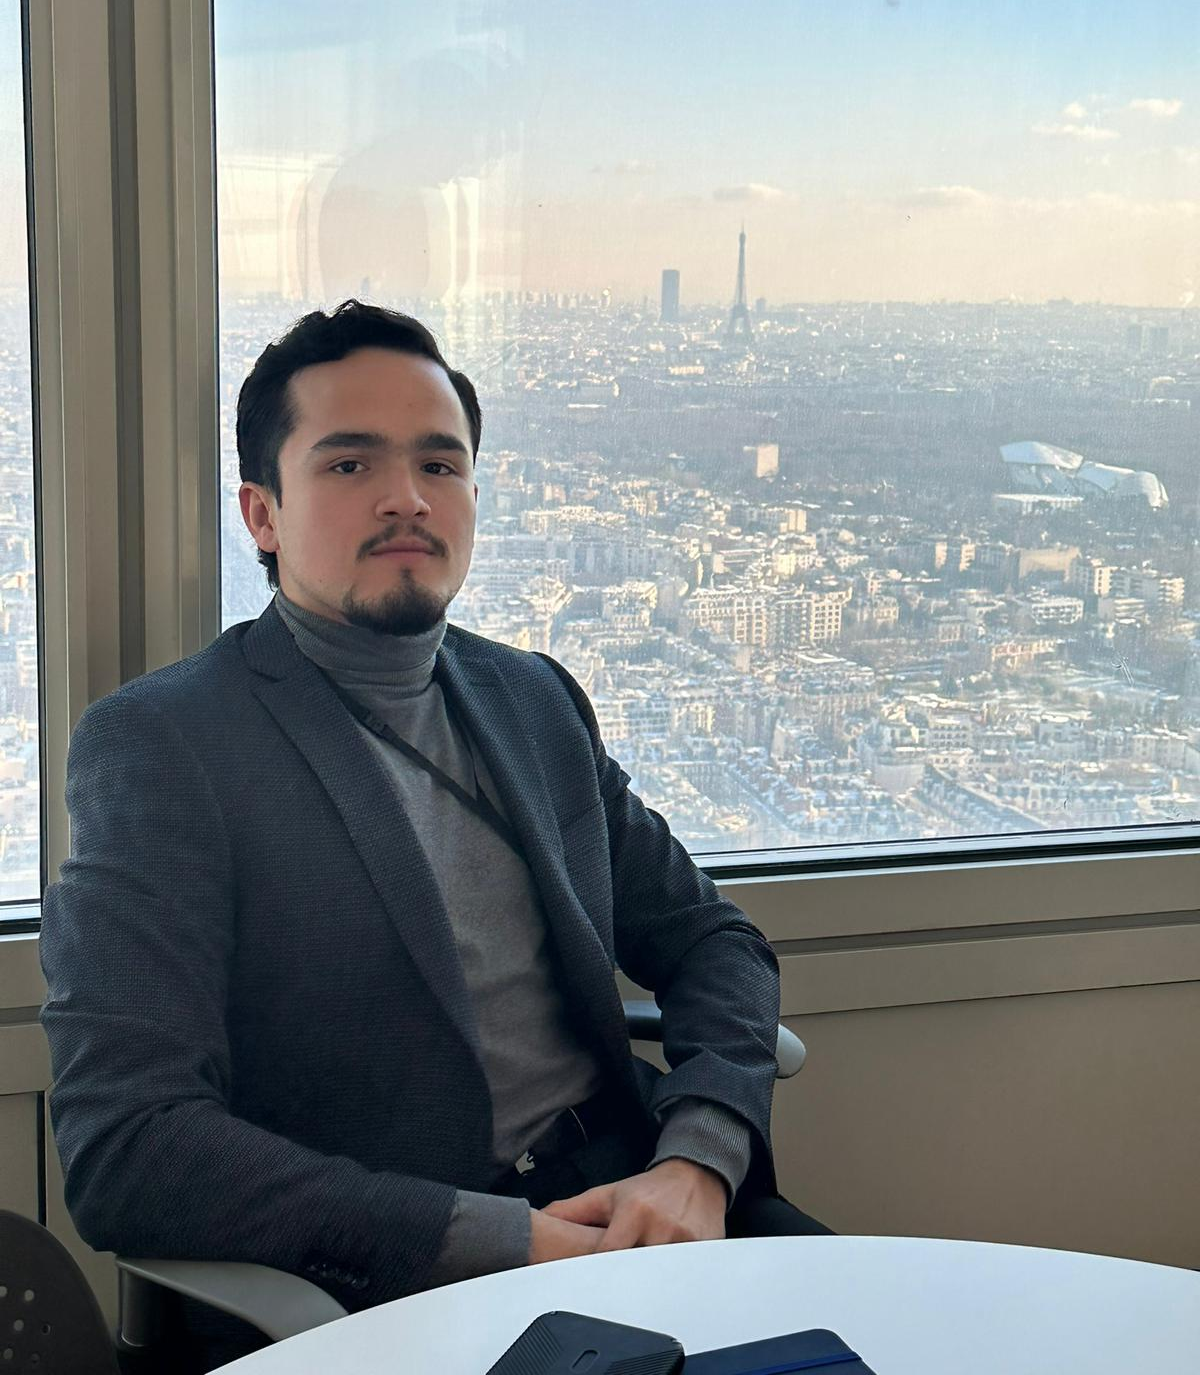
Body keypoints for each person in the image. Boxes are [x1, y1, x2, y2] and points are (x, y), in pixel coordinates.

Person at [39, 301, 827, 1369]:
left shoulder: (534, 698)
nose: (407, 498)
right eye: (351, 464)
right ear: (261, 514)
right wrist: (508, 1242)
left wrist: (699, 1155)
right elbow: (126, 1146)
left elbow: (714, 944)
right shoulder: (165, 747)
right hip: (396, 1279)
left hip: (643, 1201)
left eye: (440, 466)